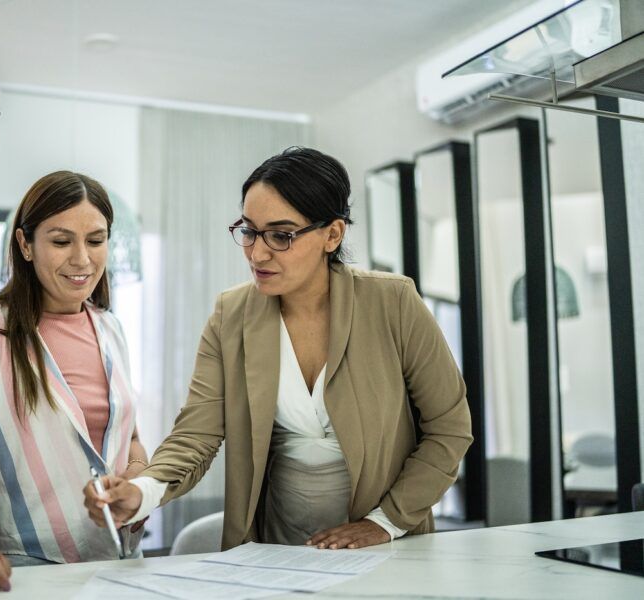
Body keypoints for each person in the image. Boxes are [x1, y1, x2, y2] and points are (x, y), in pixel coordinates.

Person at [84, 147, 473, 551]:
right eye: (249, 230)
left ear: (333, 234)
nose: (257, 252)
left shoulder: (393, 303)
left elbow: (449, 428)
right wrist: (143, 491)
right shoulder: (230, 316)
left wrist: (383, 523)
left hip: (388, 543)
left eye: (281, 235)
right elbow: (196, 435)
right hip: (278, 548)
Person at [0, 171, 147, 591]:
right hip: (30, 569)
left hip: (122, 563)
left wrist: (137, 484)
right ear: (26, 245)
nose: (82, 259)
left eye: (96, 240)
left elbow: (131, 439)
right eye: (62, 241)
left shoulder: (111, 329)